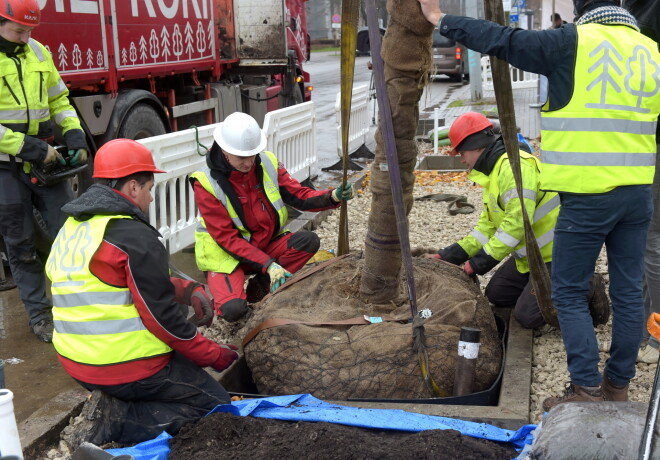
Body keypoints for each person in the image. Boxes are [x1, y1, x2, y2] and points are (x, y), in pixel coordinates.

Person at [417, 0, 660, 409]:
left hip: (586, 195)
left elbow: (503, 40)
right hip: (637, 192)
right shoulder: (649, 50)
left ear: (582, 9)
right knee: (630, 292)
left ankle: (586, 389)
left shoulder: (573, 42)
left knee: (565, 291)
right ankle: (618, 385)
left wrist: (442, 20)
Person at [46, 139, 238, 449]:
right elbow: (165, 324)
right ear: (133, 187)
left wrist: (186, 289)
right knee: (215, 407)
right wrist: (215, 356)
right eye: (149, 188)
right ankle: (118, 420)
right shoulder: (134, 236)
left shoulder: (73, 227)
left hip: (76, 361)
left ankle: (114, 406)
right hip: (125, 367)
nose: (150, 198)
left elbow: (112, 284)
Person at [425, 112, 608, 329]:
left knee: (528, 317)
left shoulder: (514, 168)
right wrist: (448, 255)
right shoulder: (494, 173)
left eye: (461, 152)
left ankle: (587, 284)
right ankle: (543, 288)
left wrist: (476, 264)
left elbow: (517, 223)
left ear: (476, 146)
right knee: (497, 294)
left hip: (559, 254)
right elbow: (486, 229)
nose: (461, 158)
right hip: (532, 257)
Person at [190, 112, 355, 322]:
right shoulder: (205, 182)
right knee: (233, 311)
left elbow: (298, 194)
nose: (249, 162)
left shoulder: (266, 162)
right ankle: (243, 300)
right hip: (225, 257)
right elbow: (227, 239)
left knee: (307, 241)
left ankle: (259, 289)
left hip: (262, 246)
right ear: (225, 151)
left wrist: (331, 196)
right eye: (242, 157)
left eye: (253, 154)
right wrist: (269, 264)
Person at [0, 0, 88, 342]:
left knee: (70, 236)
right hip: (6, 166)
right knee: (19, 245)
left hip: (43, 161)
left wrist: (74, 132)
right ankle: (40, 316)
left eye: (30, 31)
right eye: (19, 30)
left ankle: (79, 306)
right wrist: (31, 148)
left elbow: (59, 101)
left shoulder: (37, 51)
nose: (25, 38)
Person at [624, 0, 660, 364]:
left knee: (651, 242)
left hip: (653, 139)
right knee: (645, 241)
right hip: (644, 139)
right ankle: (638, 334)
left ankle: (657, 340)